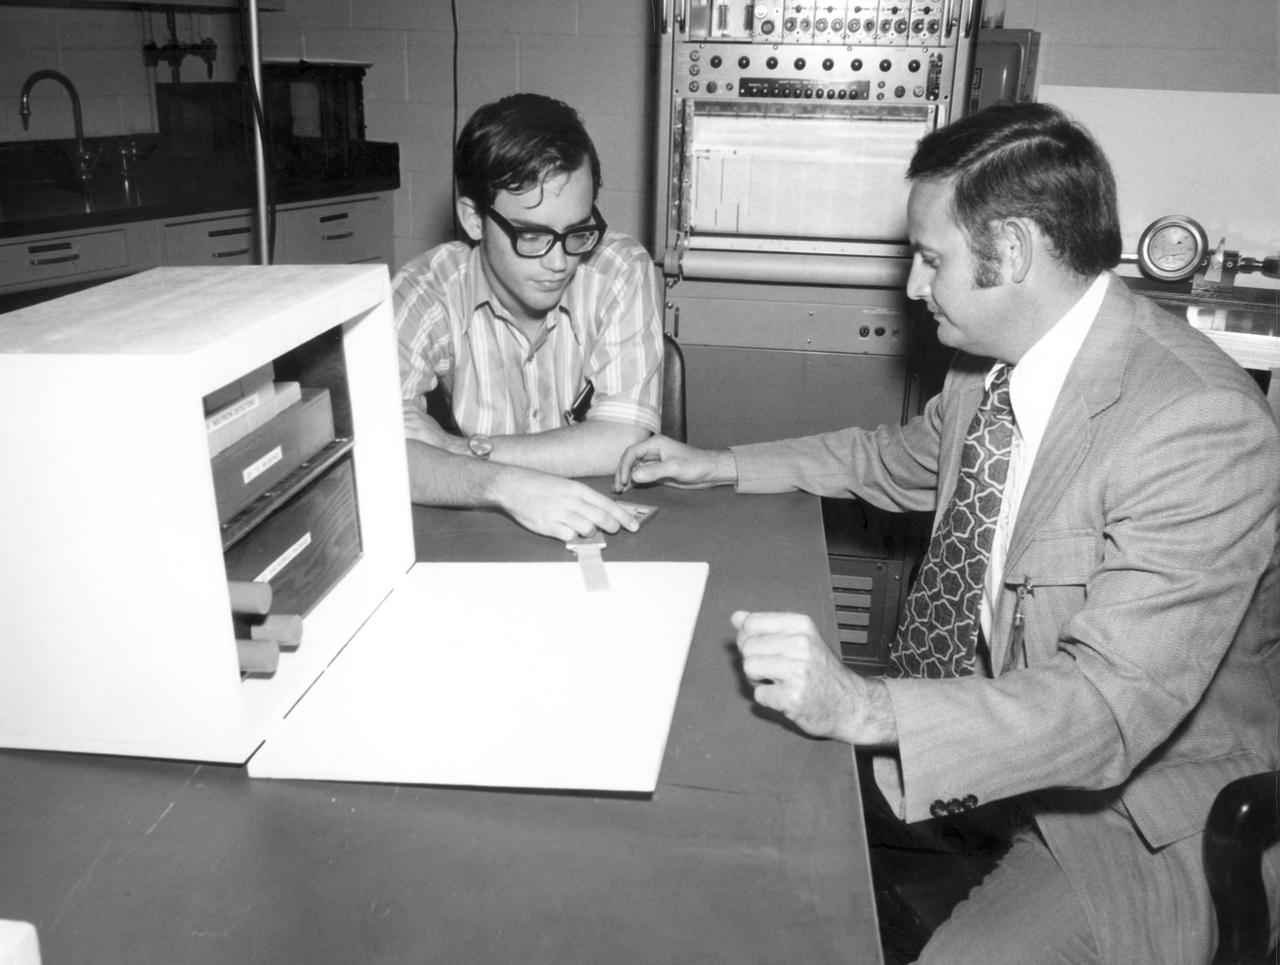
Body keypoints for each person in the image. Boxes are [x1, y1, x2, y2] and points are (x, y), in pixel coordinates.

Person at [614, 101, 1280, 964]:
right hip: (1004, 743)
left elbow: (1110, 708)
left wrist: (861, 703)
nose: (913, 288)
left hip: (1140, 817)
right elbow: (895, 460)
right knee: (742, 798)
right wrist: (720, 464)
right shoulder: (995, 370)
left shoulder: (1197, 424)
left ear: (1011, 251)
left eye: (931, 260)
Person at [394, 92, 664, 541]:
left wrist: (458, 451)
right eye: (533, 235)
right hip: (483, 529)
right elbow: (384, 455)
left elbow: (623, 439)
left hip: (598, 524)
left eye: (577, 231)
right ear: (474, 220)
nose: (560, 262)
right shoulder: (423, 291)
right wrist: (505, 487)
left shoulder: (618, 268)